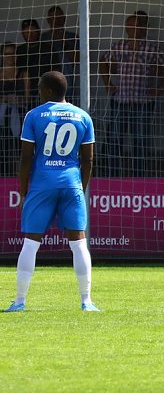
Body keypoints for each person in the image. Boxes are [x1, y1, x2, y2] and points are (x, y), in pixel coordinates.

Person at [4, 71, 98, 313]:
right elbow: (87, 160)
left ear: (46, 90)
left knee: (30, 243)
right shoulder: (83, 116)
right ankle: (86, 301)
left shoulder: (34, 115)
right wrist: (80, 187)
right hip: (71, 183)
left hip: (42, 184)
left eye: (38, 85)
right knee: (78, 243)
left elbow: (26, 157)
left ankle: (20, 301)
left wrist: (24, 191)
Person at [98, 11, 164, 177]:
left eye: (139, 26)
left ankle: (140, 177)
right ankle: (113, 174)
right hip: (120, 101)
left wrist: (160, 88)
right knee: (115, 139)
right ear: (126, 28)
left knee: (141, 141)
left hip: (143, 102)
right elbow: (103, 61)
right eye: (132, 26)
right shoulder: (119, 46)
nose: (135, 29)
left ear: (144, 28)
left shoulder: (151, 48)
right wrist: (108, 83)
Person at [42, 6, 80, 103]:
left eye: (59, 17)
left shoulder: (72, 37)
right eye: (53, 18)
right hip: (47, 80)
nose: (57, 21)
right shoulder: (43, 38)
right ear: (48, 20)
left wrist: (64, 42)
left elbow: (78, 59)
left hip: (67, 82)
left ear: (64, 18)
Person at [0, 42, 28, 175]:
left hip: (20, 115)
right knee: (4, 150)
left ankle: (19, 181)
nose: (10, 57)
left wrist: (20, 100)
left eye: (13, 53)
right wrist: (5, 99)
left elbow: (29, 97)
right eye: (7, 54)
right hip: (2, 117)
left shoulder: (23, 74)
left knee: (19, 151)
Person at [16, 19, 53, 111]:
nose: (30, 33)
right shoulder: (19, 51)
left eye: (32, 30)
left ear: (38, 31)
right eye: (26, 31)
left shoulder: (48, 49)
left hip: (45, 92)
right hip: (23, 95)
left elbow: (56, 70)